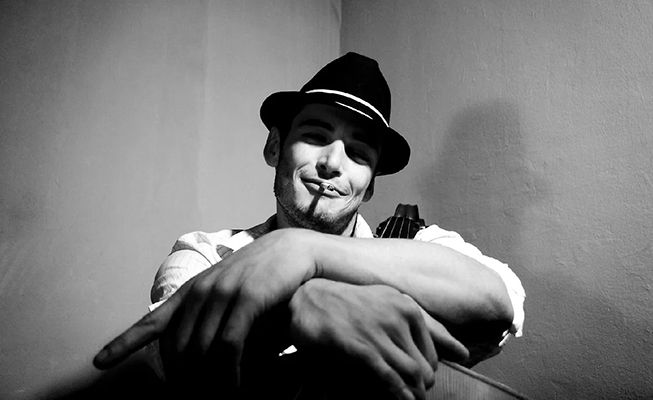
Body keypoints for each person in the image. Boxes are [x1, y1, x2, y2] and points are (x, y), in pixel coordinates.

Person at [93, 53, 525, 400]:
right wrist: (301, 306)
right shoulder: (208, 254)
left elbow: (501, 298)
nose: (333, 163)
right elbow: (183, 372)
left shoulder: (418, 245)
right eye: (316, 136)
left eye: (358, 153)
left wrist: (305, 252)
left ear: (370, 187)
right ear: (275, 147)